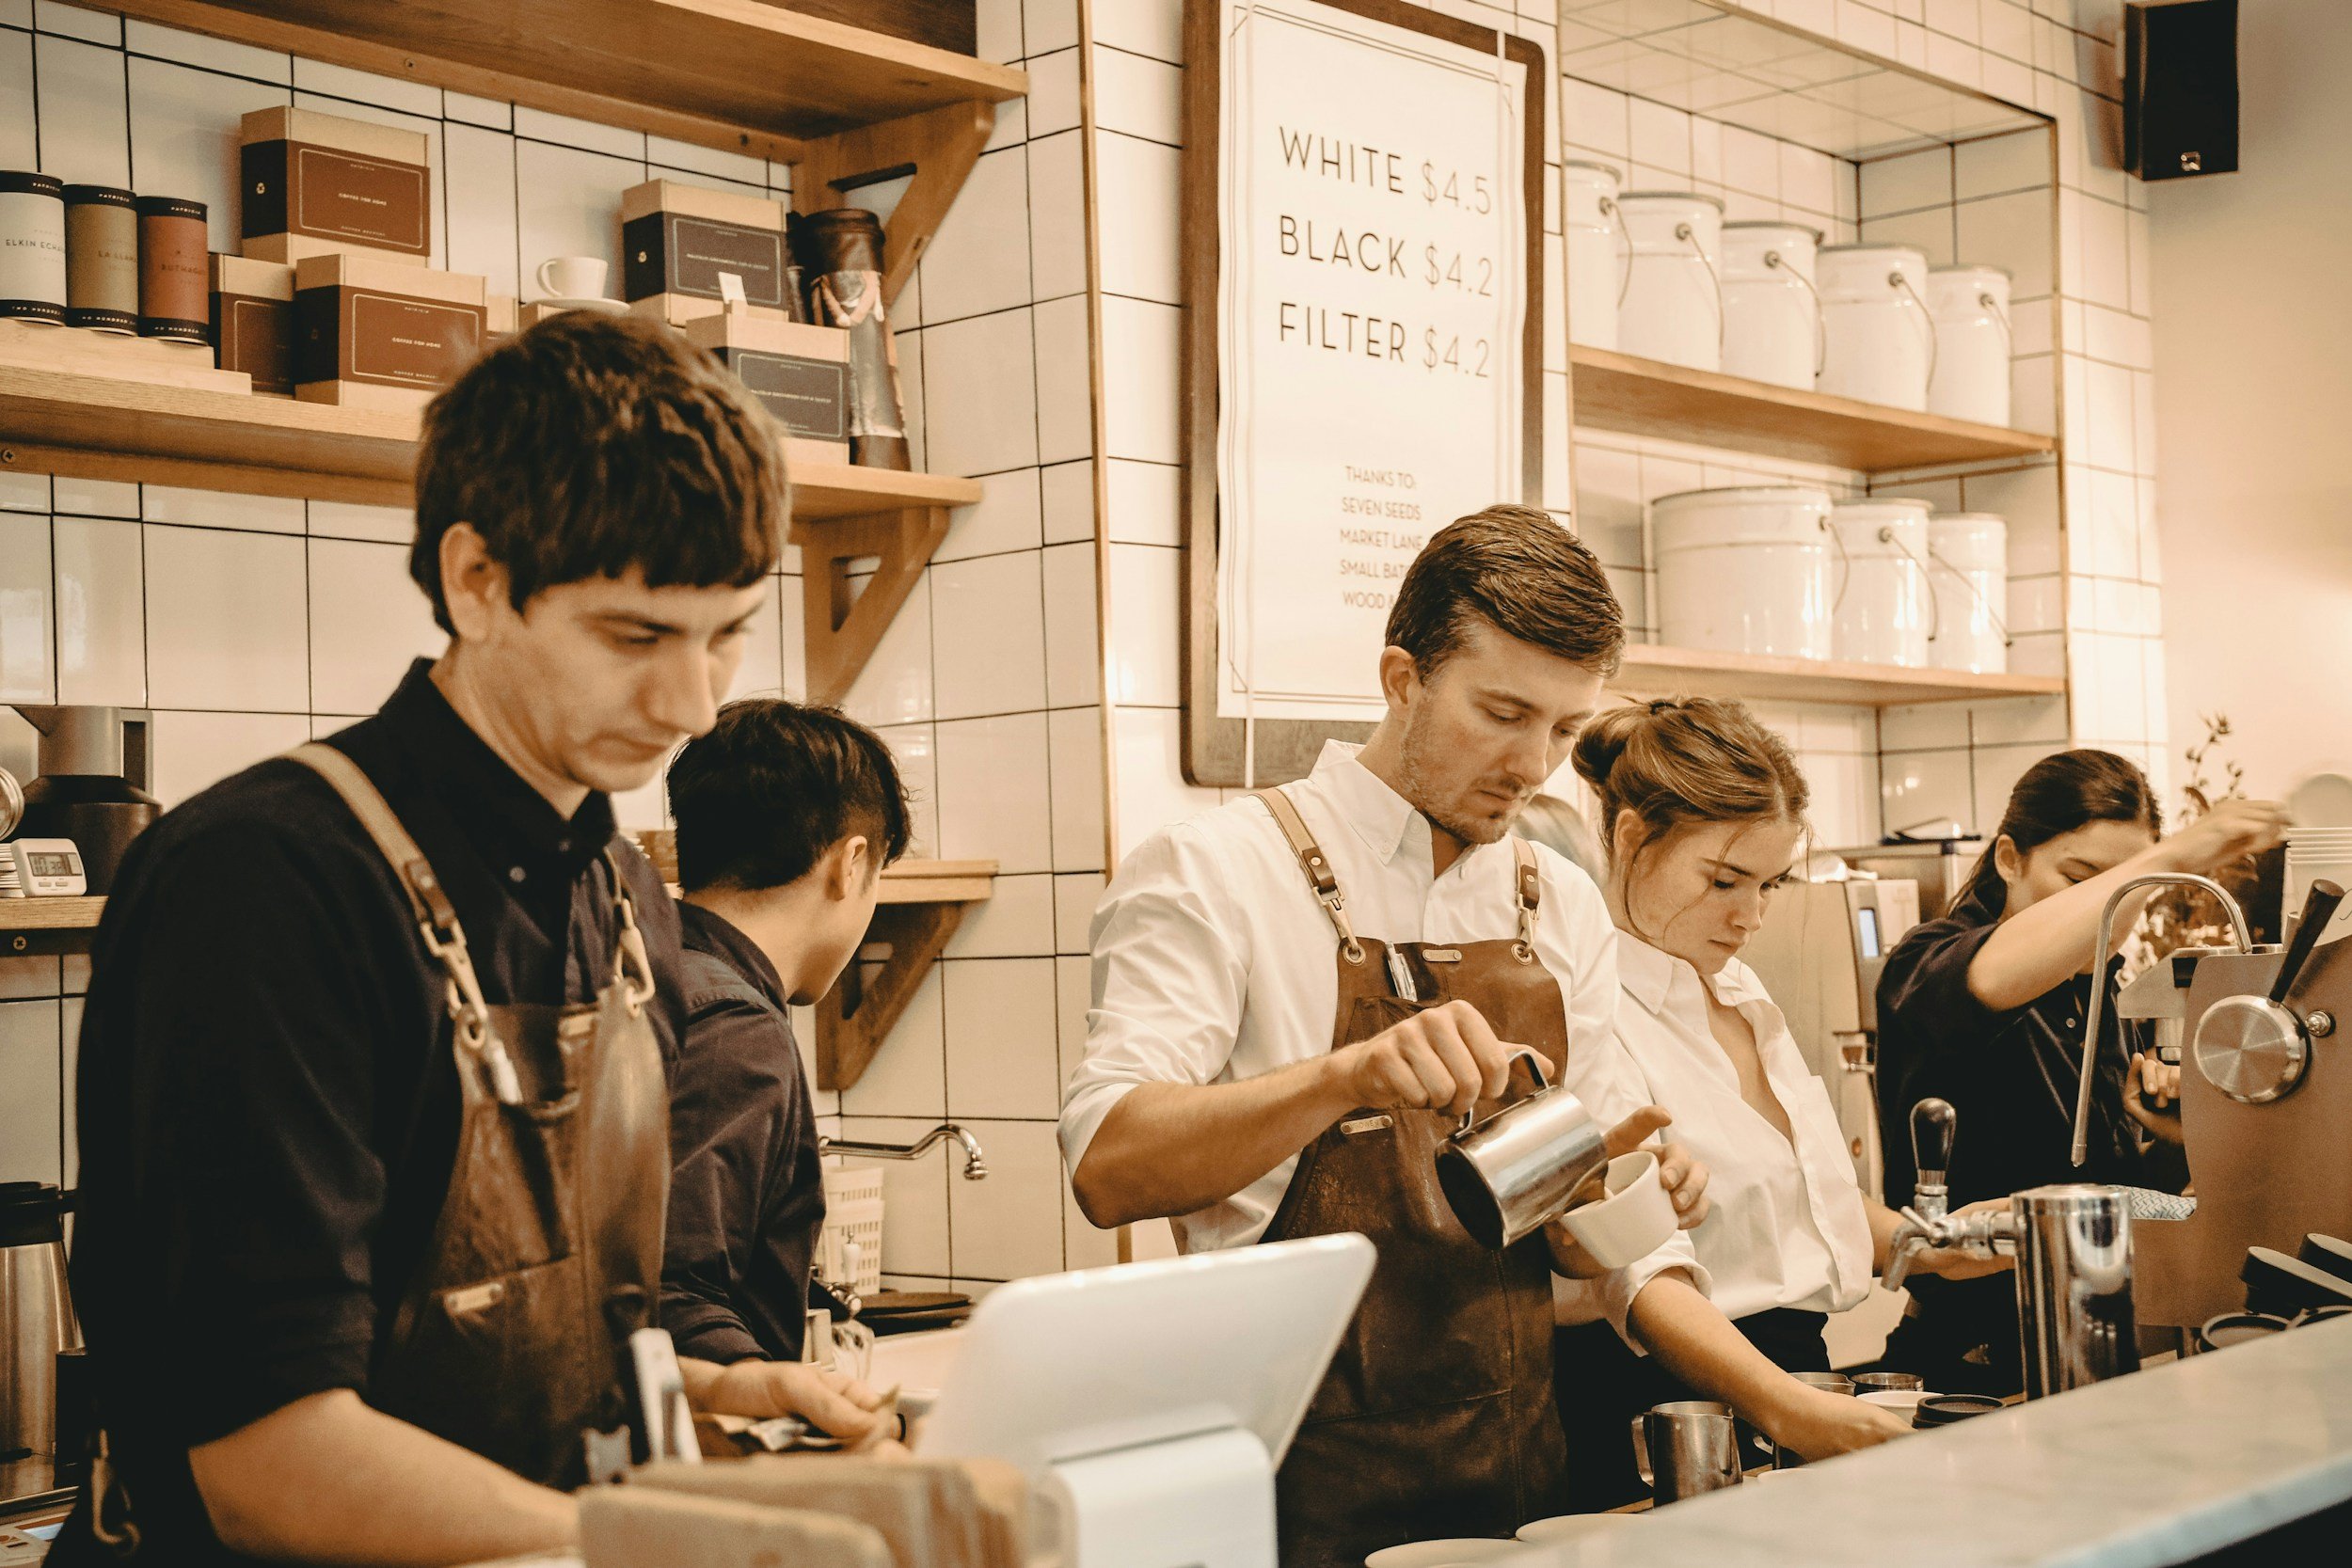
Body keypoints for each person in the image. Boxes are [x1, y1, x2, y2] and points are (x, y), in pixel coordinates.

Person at [59, 314, 883, 1567]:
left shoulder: (623, 898)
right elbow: (265, 1460)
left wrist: (724, 1395)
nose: (693, 704)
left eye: (728, 633)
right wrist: (655, 1542)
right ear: (476, 580)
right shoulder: (268, 882)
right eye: (635, 635)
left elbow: (538, 1355)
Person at [1061, 506, 1722, 1567]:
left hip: (1517, 1474)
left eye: (1561, 729)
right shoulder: (1214, 868)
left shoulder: (1554, 897)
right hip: (1287, 1484)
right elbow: (1109, 1166)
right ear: (1400, 677)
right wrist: (1341, 1078)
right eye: (1501, 711)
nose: (1531, 764)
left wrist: (1622, 1178)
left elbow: (1573, 1226)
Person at [1553, 697, 2011, 1506]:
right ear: (1631, 837)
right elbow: (1638, 1276)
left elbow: (1809, 1206)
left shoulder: (1740, 988)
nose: (1751, 915)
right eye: (1724, 880)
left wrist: (1935, 1241)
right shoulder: (1588, 1007)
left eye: (1769, 882)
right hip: (1671, 1412)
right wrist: (1790, 1409)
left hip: (1796, 1383)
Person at [1874, 749, 2290, 1392]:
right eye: (2084, 881)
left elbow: (2111, 1192)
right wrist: (2171, 856)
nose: (2114, 918)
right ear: (2009, 858)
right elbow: (1991, 977)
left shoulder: (2105, 992)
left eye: (2132, 893)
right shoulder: (1926, 964)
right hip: (1972, 1364)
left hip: (2104, 1339)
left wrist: (2172, 1135)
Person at [660, 699, 910, 1390]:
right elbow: (670, 1292)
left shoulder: (647, 969)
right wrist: (776, 1397)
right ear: (850, 864)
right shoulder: (734, 1027)